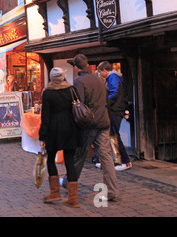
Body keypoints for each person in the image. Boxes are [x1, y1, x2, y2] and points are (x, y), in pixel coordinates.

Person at [62, 54, 118, 202]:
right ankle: (111, 190)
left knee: (79, 156)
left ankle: (69, 183)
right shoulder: (100, 79)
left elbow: (77, 107)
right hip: (103, 122)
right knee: (106, 156)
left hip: (89, 125)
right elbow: (106, 101)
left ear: (76, 67)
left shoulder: (79, 82)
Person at [39, 68, 82, 207]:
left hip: (53, 129)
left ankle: (55, 192)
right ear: (63, 77)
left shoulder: (48, 92)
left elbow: (45, 117)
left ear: (52, 78)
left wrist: (42, 136)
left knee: (51, 159)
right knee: (69, 160)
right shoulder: (71, 89)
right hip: (70, 128)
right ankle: (73, 198)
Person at [97, 61, 132, 171]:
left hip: (115, 110)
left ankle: (125, 161)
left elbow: (114, 93)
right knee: (111, 135)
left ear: (104, 70)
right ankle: (115, 160)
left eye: (99, 72)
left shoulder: (112, 77)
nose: (100, 74)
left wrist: (105, 102)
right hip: (116, 110)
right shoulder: (114, 77)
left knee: (114, 136)